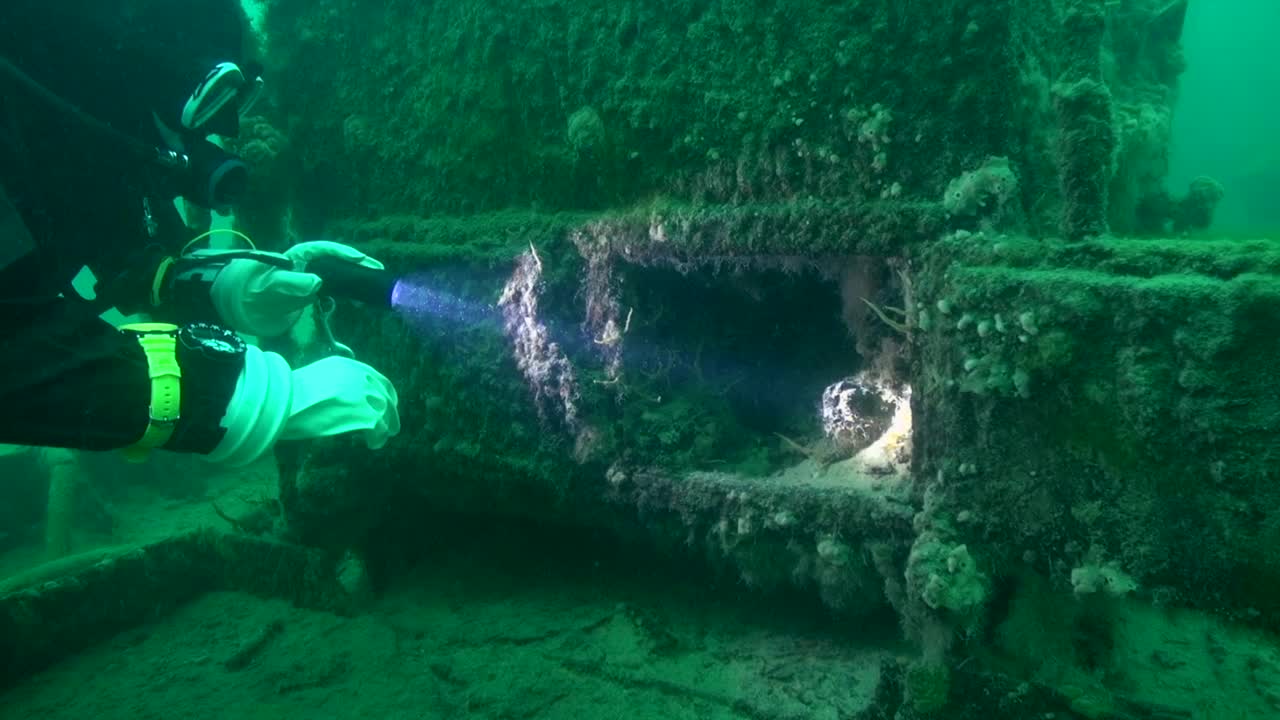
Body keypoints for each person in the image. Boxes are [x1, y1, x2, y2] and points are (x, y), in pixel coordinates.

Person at [0, 0, 401, 466]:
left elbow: (118, 252)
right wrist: (248, 400)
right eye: (209, 96)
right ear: (104, 63)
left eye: (241, 98)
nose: (226, 128)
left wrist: (225, 285)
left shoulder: (47, 134)